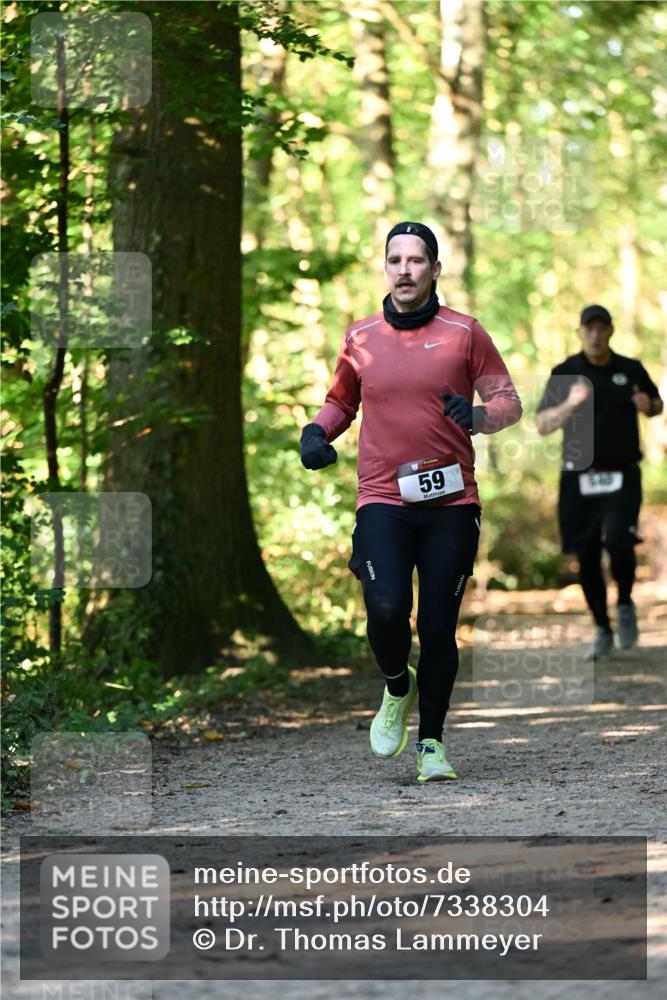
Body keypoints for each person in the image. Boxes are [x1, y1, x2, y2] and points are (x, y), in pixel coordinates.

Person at [300, 222, 522, 782]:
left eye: (416, 260)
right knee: (386, 607)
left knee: (439, 625)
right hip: (383, 497)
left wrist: (479, 416)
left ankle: (431, 744)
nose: (405, 269)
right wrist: (316, 432)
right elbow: (340, 402)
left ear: (435, 269)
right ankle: (398, 684)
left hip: (452, 502)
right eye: (395, 259)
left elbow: (508, 401)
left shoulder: (464, 332)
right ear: (385, 268)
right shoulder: (360, 337)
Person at [536, 304, 663, 659]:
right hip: (579, 477)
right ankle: (602, 628)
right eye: (588, 329)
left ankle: (624, 603)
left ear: (610, 331)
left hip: (622, 474)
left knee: (620, 539)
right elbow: (543, 424)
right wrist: (570, 403)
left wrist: (648, 405)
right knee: (586, 553)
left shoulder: (630, 368)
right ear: (580, 332)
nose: (595, 335)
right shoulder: (565, 372)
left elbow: (656, 405)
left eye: (601, 328)